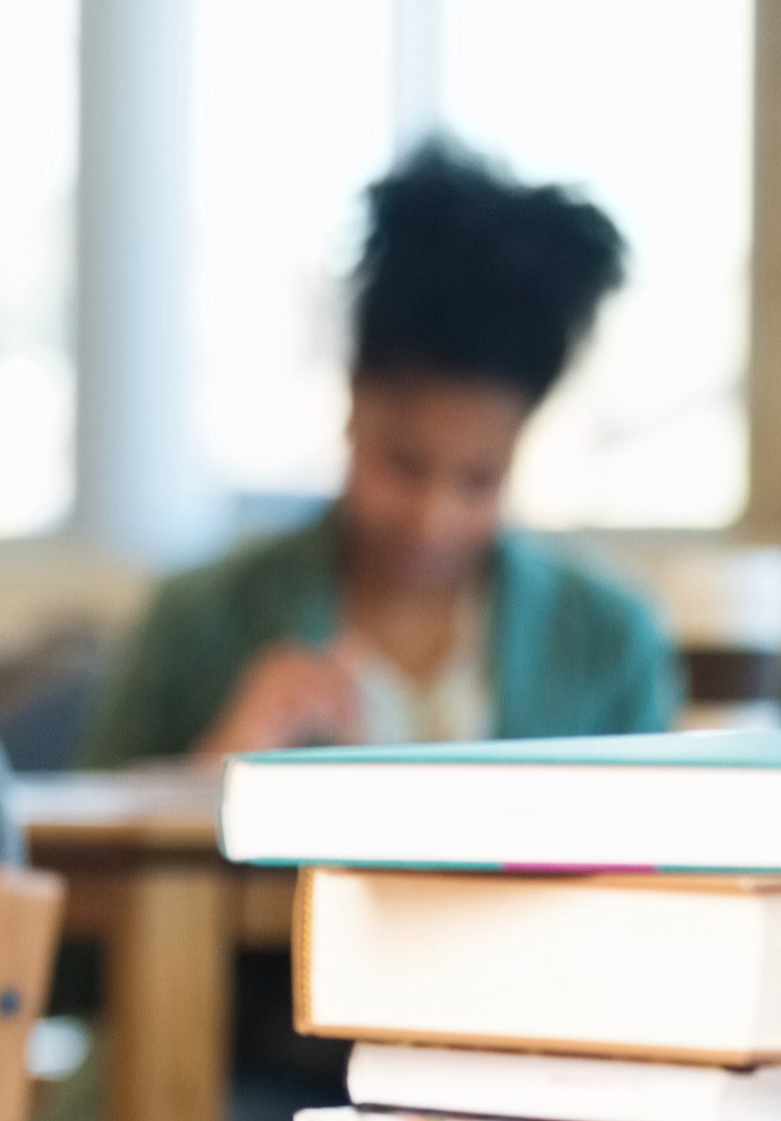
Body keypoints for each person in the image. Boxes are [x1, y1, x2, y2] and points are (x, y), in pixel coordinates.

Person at [83, 141, 679, 763]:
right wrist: (216, 769)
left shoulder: (609, 641)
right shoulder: (197, 624)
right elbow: (74, 842)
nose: (433, 517)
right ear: (351, 403)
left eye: (478, 480)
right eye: (404, 465)